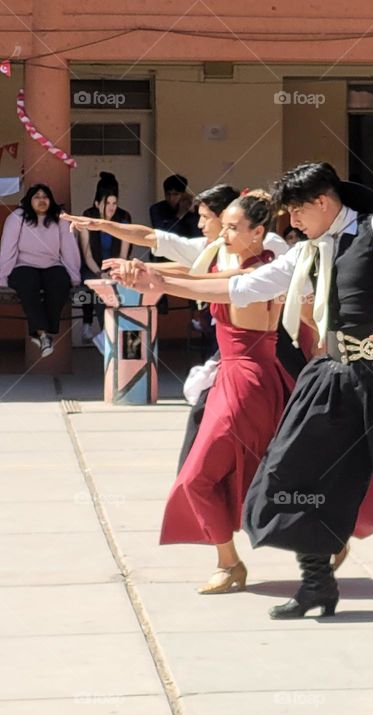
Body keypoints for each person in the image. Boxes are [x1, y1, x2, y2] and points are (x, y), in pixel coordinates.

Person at [116, 163, 373, 619]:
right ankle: (317, 584)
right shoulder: (310, 250)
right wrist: (161, 281)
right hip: (333, 374)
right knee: (296, 471)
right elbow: (243, 286)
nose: (291, 223)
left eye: (297, 212)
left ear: (323, 202)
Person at [108, 192, 293, 594]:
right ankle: (231, 562)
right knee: (238, 472)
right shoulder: (226, 257)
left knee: (204, 477)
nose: (220, 232)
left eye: (230, 226)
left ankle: (239, 562)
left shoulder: (266, 268)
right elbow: (197, 274)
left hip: (248, 381)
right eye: (220, 223)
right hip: (230, 378)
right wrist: (144, 270)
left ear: (258, 232)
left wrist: (156, 281)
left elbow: (212, 287)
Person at [0, 183, 82, 358]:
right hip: (23, 265)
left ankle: (40, 332)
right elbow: (8, 248)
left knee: (60, 282)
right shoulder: (17, 218)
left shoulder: (59, 218)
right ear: (29, 200)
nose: (41, 200)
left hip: (52, 264)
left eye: (45, 197)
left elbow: (68, 248)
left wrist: (74, 275)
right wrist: (3, 276)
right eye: (36, 197)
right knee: (29, 283)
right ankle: (43, 335)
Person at [77, 172, 132, 352]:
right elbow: (88, 256)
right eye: (107, 203)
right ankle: (106, 334)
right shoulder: (88, 217)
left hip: (116, 267)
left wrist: (114, 271)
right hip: (92, 268)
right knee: (102, 288)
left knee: (126, 289)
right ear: (97, 203)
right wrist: (101, 273)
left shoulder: (124, 218)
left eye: (114, 203)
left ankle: (117, 338)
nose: (111, 208)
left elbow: (124, 254)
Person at [149, 173, 200, 241]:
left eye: (176, 194)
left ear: (183, 194)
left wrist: (191, 210)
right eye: (168, 194)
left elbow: (197, 236)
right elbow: (164, 236)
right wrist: (180, 214)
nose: (171, 198)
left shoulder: (195, 210)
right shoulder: (157, 209)